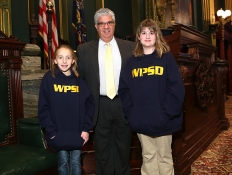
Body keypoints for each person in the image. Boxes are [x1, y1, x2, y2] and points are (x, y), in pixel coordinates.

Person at [118, 19, 185, 175]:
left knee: (164, 157)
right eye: (144, 32)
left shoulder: (166, 59)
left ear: (157, 36)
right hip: (141, 120)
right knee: (148, 157)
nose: (147, 36)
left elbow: (176, 89)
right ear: (139, 37)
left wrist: (167, 113)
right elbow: (124, 90)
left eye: (151, 32)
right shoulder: (131, 63)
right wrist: (132, 114)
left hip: (164, 119)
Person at [77, 8, 135, 175]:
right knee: (102, 153)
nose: (106, 27)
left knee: (124, 151)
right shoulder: (84, 50)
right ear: (96, 26)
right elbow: (78, 81)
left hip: (122, 104)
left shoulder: (130, 48)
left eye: (109, 22)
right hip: (98, 106)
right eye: (102, 23)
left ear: (114, 24)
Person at [38, 45, 95, 175]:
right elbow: (43, 107)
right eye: (61, 57)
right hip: (58, 133)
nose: (64, 61)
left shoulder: (79, 81)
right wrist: (50, 130)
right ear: (55, 60)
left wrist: (86, 129)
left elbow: (90, 105)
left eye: (68, 57)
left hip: (77, 133)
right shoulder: (48, 79)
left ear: (73, 60)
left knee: (76, 163)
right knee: (63, 162)